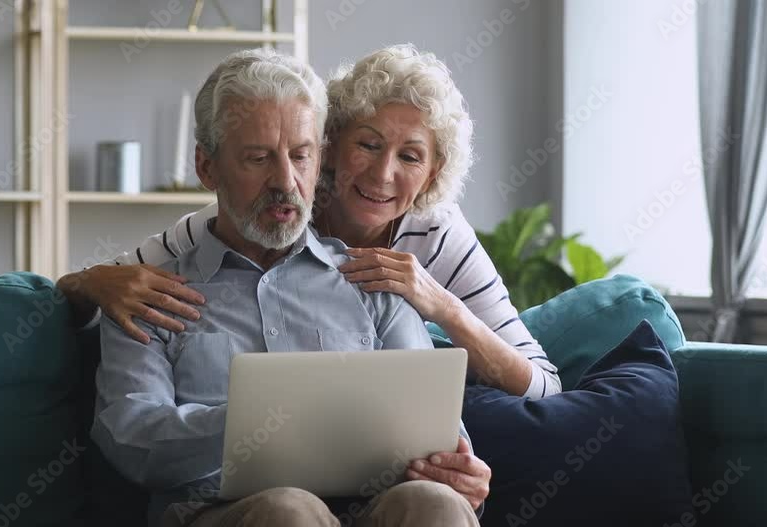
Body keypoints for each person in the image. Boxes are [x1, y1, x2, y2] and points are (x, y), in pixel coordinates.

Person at [91, 48, 488, 527]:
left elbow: (440, 432)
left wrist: (458, 471)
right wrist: (259, 425)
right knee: (290, 512)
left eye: (300, 156)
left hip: (369, 507)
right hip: (223, 511)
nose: (285, 181)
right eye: (258, 158)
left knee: (437, 504)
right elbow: (131, 439)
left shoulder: (372, 282)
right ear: (207, 167)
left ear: (319, 159)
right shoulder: (150, 293)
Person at [60, 44, 561, 399]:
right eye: (368, 144)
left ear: (433, 172)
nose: (383, 174)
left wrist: (441, 305)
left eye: (410, 156)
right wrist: (94, 280)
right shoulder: (279, 206)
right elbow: (98, 286)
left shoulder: (436, 230)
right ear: (330, 148)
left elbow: (541, 383)